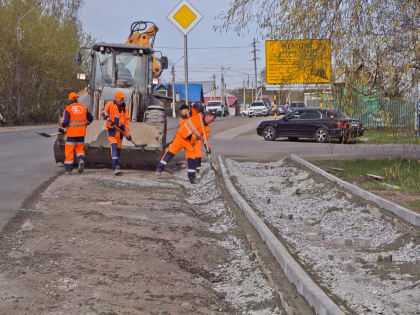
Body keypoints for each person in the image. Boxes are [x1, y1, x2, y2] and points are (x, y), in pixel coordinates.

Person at [156, 104, 215, 184]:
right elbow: (193, 107)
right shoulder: (197, 115)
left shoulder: (206, 128)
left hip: (190, 143)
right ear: (207, 116)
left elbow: (205, 140)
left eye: (212, 121)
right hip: (181, 137)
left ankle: (192, 178)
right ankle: (159, 168)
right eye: (210, 120)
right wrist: (197, 106)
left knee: (191, 159)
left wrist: (208, 149)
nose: (210, 122)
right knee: (170, 152)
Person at [58, 92, 93, 175]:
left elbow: (66, 121)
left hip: (71, 134)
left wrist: (61, 128)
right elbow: (90, 119)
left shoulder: (68, 108)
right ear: (77, 99)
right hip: (81, 133)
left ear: (70, 99)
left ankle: (68, 170)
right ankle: (80, 159)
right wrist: (86, 123)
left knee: (69, 150)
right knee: (80, 148)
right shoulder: (83, 107)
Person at [102, 91, 132, 175]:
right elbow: (104, 112)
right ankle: (116, 167)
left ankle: (116, 165)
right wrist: (108, 118)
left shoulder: (124, 109)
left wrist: (128, 135)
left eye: (123, 99)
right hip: (112, 130)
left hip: (120, 132)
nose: (122, 101)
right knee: (114, 146)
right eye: (121, 99)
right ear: (116, 99)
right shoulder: (110, 104)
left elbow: (126, 122)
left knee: (118, 149)